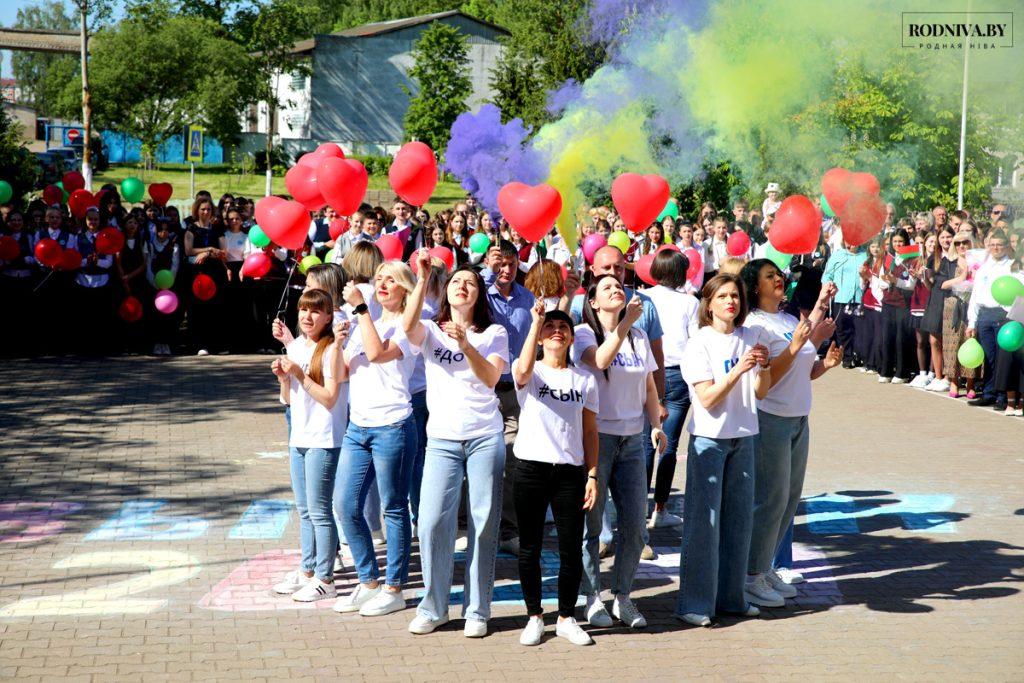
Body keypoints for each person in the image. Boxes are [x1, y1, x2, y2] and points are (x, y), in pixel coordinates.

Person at [403, 254, 509, 638]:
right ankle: (433, 607)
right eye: (455, 282)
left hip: (484, 437)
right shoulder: (430, 330)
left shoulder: (493, 333)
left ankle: (477, 610)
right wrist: (423, 277)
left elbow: (490, 379)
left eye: (471, 283)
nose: (462, 285)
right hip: (442, 439)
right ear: (445, 293)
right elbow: (407, 324)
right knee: (431, 521)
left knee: (483, 523)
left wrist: (466, 344)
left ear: (478, 295)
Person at [739, 260, 840, 608]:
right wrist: (798, 345)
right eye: (770, 276)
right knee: (771, 499)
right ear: (754, 287)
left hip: (799, 419)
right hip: (772, 421)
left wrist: (823, 364)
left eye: (778, 275)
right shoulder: (754, 326)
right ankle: (750, 576)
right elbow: (766, 381)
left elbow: (802, 367)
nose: (778, 279)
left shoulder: (785, 320)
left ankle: (764, 568)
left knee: (790, 500)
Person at [675, 274, 771, 627]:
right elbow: (707, 397)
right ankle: (694, 603)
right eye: (724, 296)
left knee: (739, 522)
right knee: (705, 523)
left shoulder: (751, 336)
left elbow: (761, 391)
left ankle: (732, 598)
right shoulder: (699, 343)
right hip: (710, 440)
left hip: (744, 436)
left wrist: (765, 365)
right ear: (709, 303)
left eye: (736, 296)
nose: (731, 301)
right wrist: (738, 372)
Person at [573, 274, 666, 630]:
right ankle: (592, 597)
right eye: (607, 287)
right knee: (591, 525)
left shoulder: (639, 336)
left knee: (635, 526)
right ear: (593, 301)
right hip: (597, 440)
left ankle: (622, 596)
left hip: (633, 440)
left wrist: (655, 424)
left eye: (619, 286)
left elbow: (647, 385)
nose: (617, 289)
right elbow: (599, 360)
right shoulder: (584, 332)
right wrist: (626, 322)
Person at [332, 263, 419, 617]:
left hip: (393, 425)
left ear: (405, 290)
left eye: (392, 280)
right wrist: (338, 345)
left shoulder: (409, 328)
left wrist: (361, 310)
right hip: (358, 427)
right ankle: (368, 582)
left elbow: (377, 353)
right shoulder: (359, 324)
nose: (383, 284)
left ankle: (394, 587)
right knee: (345, 505)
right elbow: (340, 376)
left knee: (393, 507)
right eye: (379, 278)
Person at [513, 304, 600, 647]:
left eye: (563, 327)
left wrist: (592, 474)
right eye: (550, 327)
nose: (556, 331)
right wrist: (535, 322)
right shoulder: (531, 372)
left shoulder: (585, 379)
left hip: (569, 473)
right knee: (529, 548)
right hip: (530, 468)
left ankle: (566, 617)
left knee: (570, 550)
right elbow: (518, 372)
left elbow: (590, 432)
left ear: (571, 338)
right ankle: (535, 616)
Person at [271, 288, 348, 602]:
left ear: (328, 316)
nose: (307, 316)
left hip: (324, 439)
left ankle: (325, 578)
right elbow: (289, 401)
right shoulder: (297, 346)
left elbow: (330, 398)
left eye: (316, 311)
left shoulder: (331, 349)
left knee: (319, 511)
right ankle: (307, 570)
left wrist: (300, 375)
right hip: (299, 437)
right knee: (304, 510)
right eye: (303, 310)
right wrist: (283, 378)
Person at [482, 240, 536, 556]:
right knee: (479, 459)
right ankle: (472, 524)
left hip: (514, 391)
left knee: (513, 462)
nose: (505, 270)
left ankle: (509, 529)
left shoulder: (526, 299)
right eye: (499, 263)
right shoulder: (478, 296)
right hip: (482, 391)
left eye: (511, 264)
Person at [640, 250, 698, 528]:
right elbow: (696, 341)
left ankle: (639, 508)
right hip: (677, 374)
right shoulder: (689, 302)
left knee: (646, 443)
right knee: (668, 444)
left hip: (647, 371)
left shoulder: (642, 297)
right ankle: (659, 509)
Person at [966, 229, 1015, 410]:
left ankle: (1002, 397)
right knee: (988, 357)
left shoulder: (1011, 266)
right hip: (984, 316)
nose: (996, 248)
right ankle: (988, 393)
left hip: (1002, 315)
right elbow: (975, 297)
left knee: (1002, 359)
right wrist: (972, 322)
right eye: (992, 244)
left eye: (999, 244)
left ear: (1005, 246)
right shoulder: (983, 268)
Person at [938, 230, 979, 397]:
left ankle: (970, 384)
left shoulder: (978, 261)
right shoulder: (949, 261)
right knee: (952, 344)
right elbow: (942, 284)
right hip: (953, 305)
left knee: (970, 341)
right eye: (958, 243)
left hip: (972, 304)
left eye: (965, 242)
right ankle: (954, 382)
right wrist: (962, 277)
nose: (961, 246)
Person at [919, 227, 956, 391]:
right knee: (934, 339)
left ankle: (949, 377)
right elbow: (930, 285)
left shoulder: (957, 258)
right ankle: (938, 376)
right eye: (942, 237)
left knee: (948, 340)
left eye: (949, 237)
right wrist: (923, 277)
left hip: (951, 299)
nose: (945, 240)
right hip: (935, 298)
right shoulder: (934, 258)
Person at [821, 241, 867, 367]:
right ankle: (847, 357)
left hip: (859, 297)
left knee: (858, 328)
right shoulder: (838, 255)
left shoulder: (865, 255)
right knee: (842, 328)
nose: (851, 243)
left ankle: (858, 355)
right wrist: (828, 285)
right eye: (848, 240)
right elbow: (827, 275)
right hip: (841, 297)